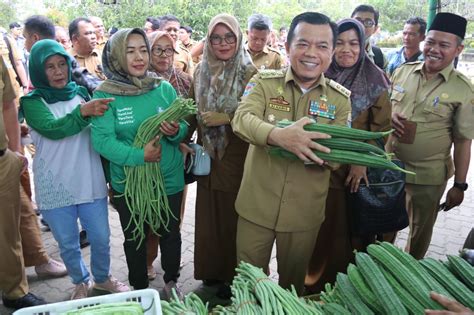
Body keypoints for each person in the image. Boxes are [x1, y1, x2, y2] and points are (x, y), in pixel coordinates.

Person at [232, 11, 351, 295]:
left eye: (322, 46)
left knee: (292, 290)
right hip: (255, 208)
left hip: (303, 216)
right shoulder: (263, 82)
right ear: (287, 46)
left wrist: (315, 151)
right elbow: (241, 119)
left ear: (332, 52)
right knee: (249, 287)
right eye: (303, 43)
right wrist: (278, 137)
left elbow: (338, 156)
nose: (311, 53)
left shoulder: (340, 100)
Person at [20, 39, 129, 300]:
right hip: (55, 183)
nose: (58, 71)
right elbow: (54, 129)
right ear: (37, 70)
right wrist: (84, 112)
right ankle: (80, 281)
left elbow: (99, 132)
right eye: (50, 67)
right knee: (68, 243)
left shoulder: (80, 93)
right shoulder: (32, 102)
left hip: (89, 178)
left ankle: (102, 279)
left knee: (101, 237)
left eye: (62, 64)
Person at [91, 28, 187, 298]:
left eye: (143, 49)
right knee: (135, 237)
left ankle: (171, 282)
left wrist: (174, 131)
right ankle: (139, 290)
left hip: (168, 177)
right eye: (130, 50)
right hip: (128, 183)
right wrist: (139, 156)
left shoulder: (162, 88)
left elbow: (181, 129)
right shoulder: (104, 95)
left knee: (170, 232)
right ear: (117, 55)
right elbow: (102, 142)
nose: (139, 57)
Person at [304, 18, 391, 293]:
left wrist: (360, 163)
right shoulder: (319, 75)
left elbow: (381, 131)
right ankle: (313, 289)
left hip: (352, 175)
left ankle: (343, 291)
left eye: (353, 43)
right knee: (317, 230)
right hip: (317, 167)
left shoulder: (376, 81)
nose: (346, 49)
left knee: (345, 235)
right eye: (339, 42)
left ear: (363, 45)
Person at [387, 12, 474, 259]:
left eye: (444, 45)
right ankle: (378, 267)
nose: (434, 49)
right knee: (383, 224)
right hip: (391, 168)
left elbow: (463, 141)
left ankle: (409, 276)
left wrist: (460, 185)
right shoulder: (403, 72)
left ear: (458, 49)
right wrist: (390, 115)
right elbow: (386, 107)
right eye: (431, 42)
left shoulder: (463, 89)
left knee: (419, 233)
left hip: (427, 176)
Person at [191, 13, 257, 298]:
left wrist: (227, 118)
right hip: (208, 154)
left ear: (238, 38)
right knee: (208, 217)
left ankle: (234, 275)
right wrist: (181, 135)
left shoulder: (250, 73)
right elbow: (194, 111)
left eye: (229, 37)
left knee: (234, 217)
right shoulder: (200, 69)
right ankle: (210, 272)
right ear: (208, 40)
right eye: (216, 38)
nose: (223, 43)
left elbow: (257, 115)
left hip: (237, 155)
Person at [0, 55, 47, 311]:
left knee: (8, 234)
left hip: (2, 162)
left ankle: (14, 292)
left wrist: (16, 153)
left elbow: (8, 104)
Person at [146, 30, 193, 280]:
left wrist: (183, 139)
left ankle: (170, 262)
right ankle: (148, 260)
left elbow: (190, 117)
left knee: (173, 216)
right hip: (149, 159)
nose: (164, 55)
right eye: (158, 49)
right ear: (148, 51)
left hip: (177, 157)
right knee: (150, 216)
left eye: (169, 50)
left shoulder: (185, 80)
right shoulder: (141, 82)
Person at [351, 4, 387, 70]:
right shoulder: (335, 51)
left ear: (375, 29)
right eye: (357, 21)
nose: (361, 25)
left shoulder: (379, 56)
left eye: (368, 22)